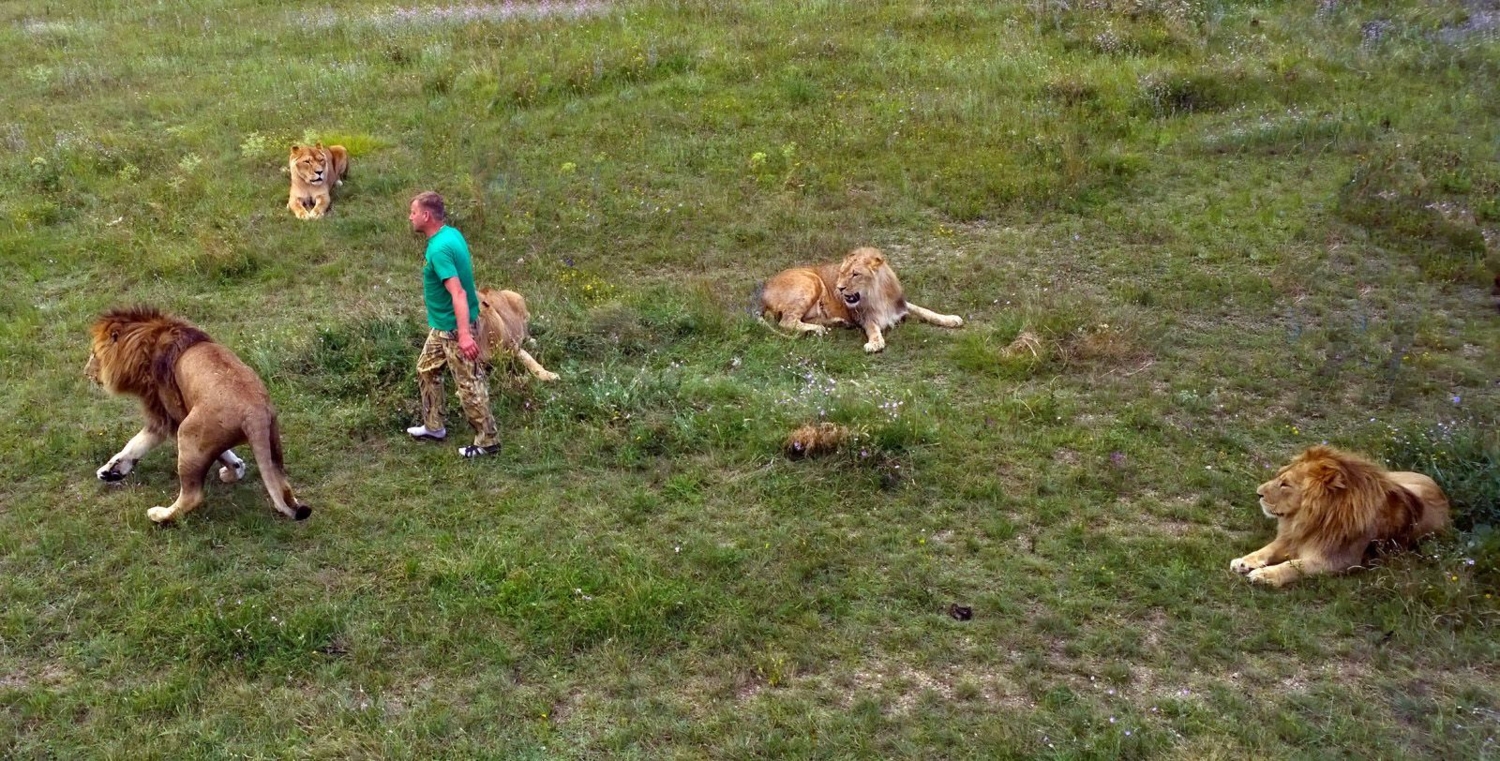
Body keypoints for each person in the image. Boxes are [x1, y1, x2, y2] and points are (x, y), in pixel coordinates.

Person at [404, 191, 501, 457]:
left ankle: (487, 441)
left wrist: (464, 335)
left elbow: (457, 293)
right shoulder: (451, 235)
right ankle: (434, 426)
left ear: (426, 215)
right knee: (425, 369)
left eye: (413, 212)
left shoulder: (438, 250)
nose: (410, 217)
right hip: (443, 326)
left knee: (469, 384)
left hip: (455, 329)